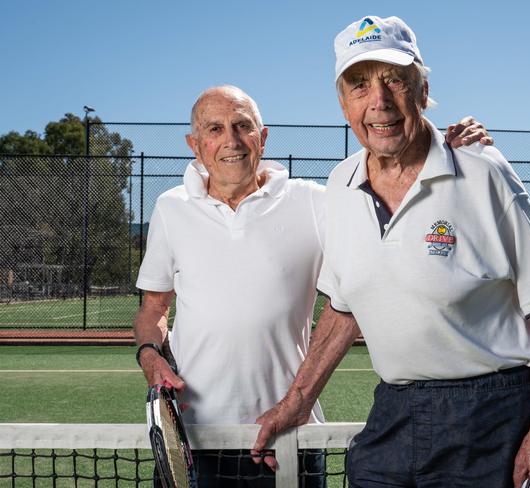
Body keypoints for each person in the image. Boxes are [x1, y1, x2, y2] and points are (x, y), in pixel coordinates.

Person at [254, 15, 530, 488]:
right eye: (359, 86)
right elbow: (343, 309)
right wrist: (296, 401)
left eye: (395, 80)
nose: (379, 102)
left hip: (493, 414)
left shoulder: (484, 172)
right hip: (394, 409)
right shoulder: (340, 184)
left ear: (422, 91)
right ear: (343, 103)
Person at [133, 85, 491, 487]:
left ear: (263, 136)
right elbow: (153, 309)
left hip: (287, 439)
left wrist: (438, 150)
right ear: (194, 144)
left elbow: (390, 199)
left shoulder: (314, 201)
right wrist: (150, 355)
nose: (231, 141)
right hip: (192, 440)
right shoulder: (170, 208)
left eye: (242, 126)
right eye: (214, 129)